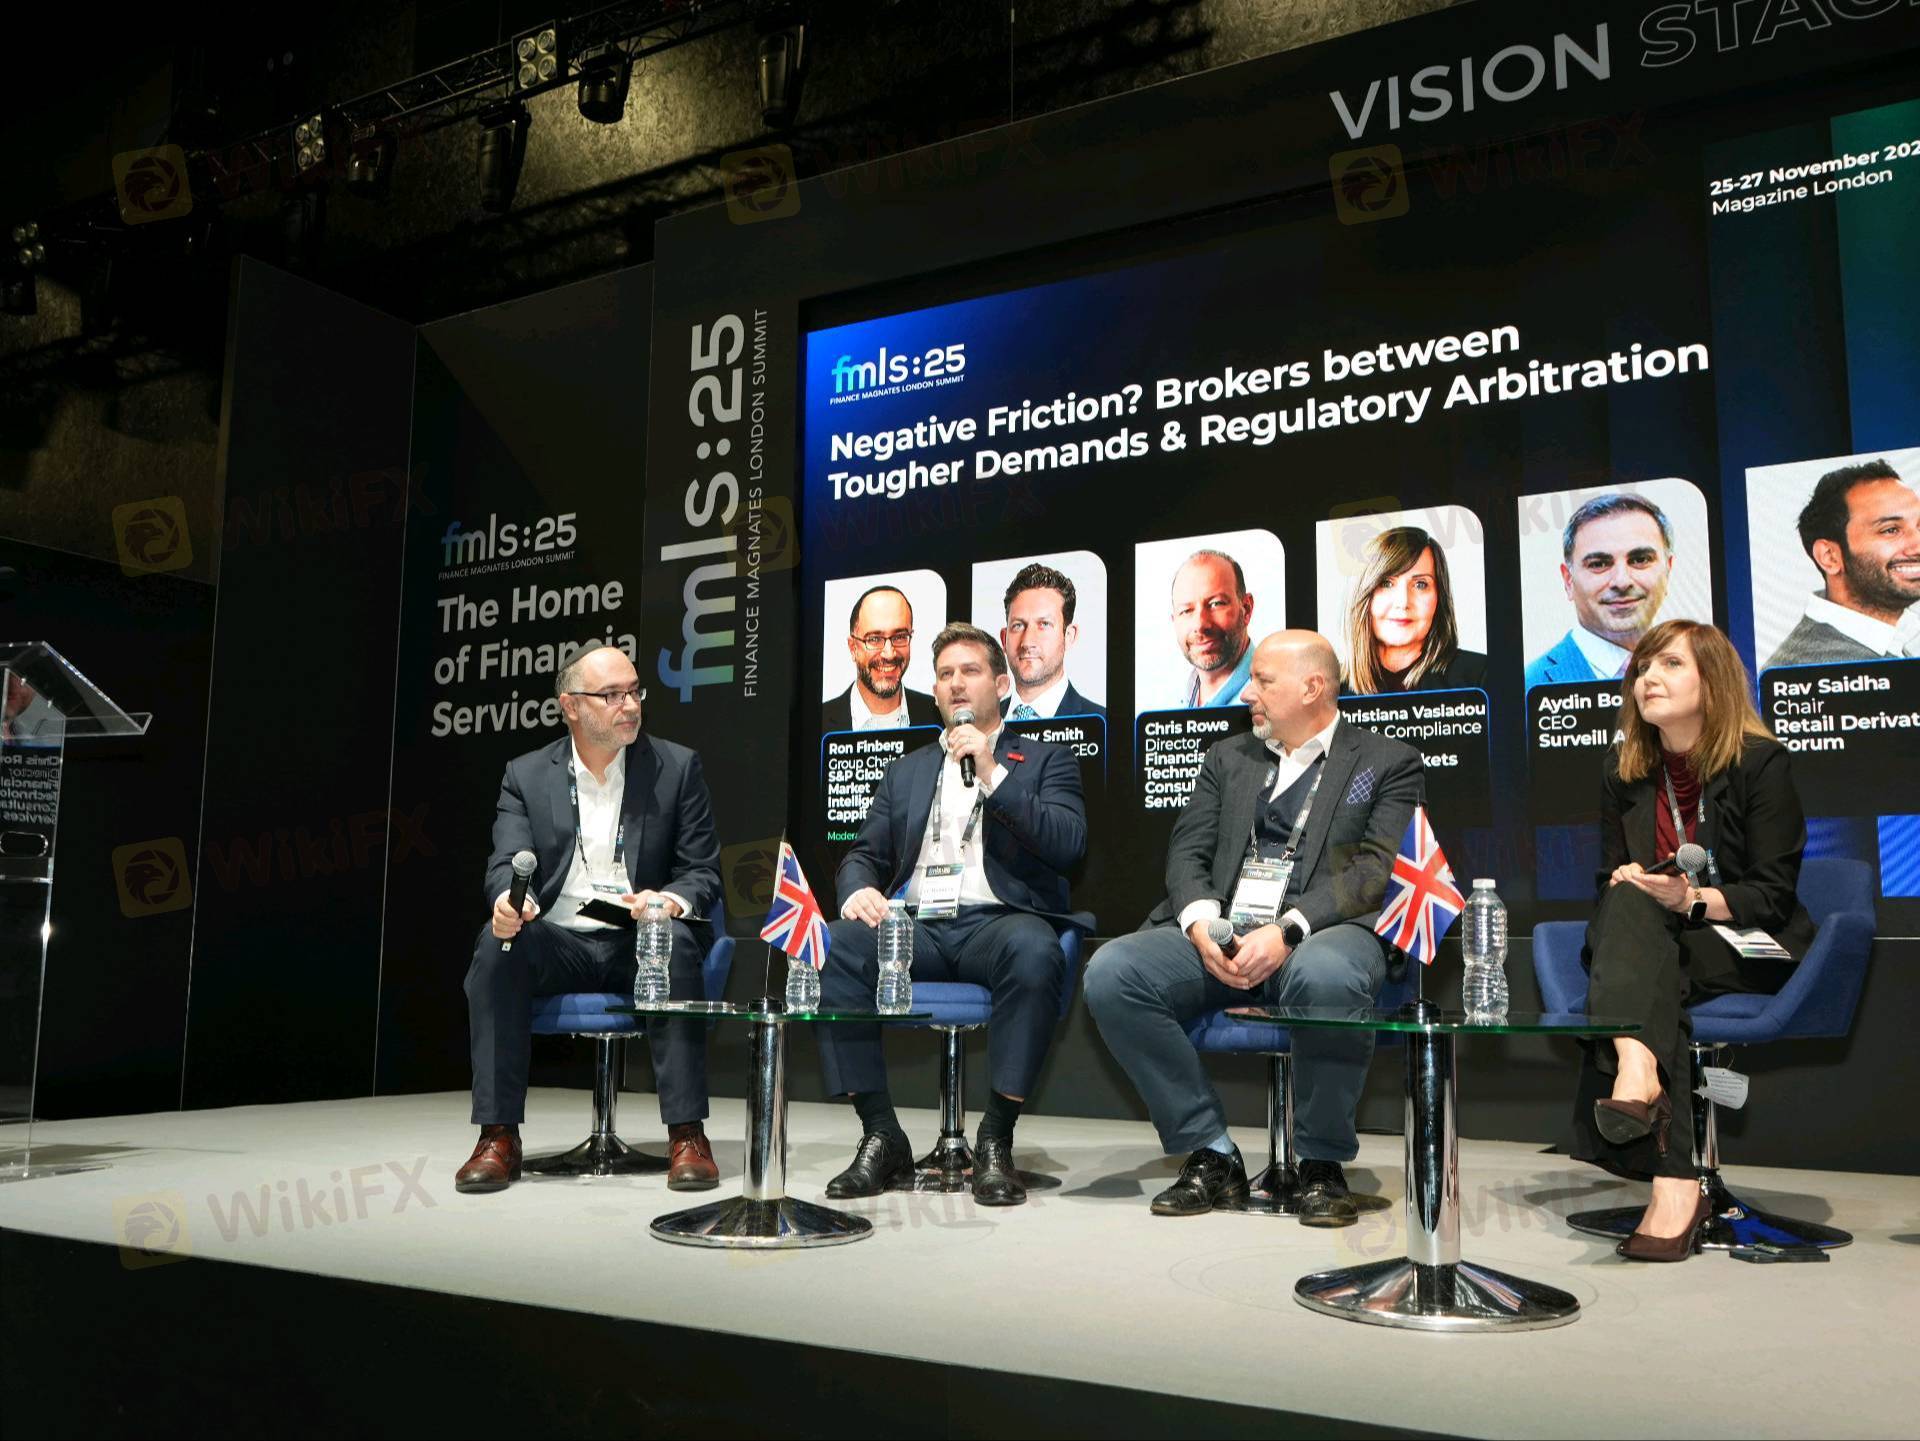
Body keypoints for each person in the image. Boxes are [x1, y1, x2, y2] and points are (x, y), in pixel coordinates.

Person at [1086, 631, 1422, 1222]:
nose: (1247, 693)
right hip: (1225, 930)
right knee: (1113, 972)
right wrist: (1200, 924)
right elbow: (1187, 853)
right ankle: (1211, 1151)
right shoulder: (1228, 758)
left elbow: (1373, 871)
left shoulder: (1385, 763)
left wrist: (1288, 930)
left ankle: (1321, 1163)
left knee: (1327, 975)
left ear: (1312, 687)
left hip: (1323, 931)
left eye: (1263, 681)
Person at [817, 623, 1091, 1206]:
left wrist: (991, 772)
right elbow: (863, 854)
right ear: (935, 691)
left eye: (970, 671)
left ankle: (996, 1138)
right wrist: (856, 891)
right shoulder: (908, 771)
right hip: (918, 926)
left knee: (1034, 949)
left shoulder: (1046, 760)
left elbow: (1067, 844)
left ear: (1001, 684)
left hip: (998, 922)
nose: (956, 684)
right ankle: (881, 1134)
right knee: (837, 944)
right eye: (945, 675)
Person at [1570, 619, 1811, 1261]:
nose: (1648, 677)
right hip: (1657, 942)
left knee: (1653, 969)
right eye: (1644, 667)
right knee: (1633, 909)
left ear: (1714, 682)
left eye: (1670, 664)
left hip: (1748, 937)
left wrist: (1691, 899)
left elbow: (1772, 895)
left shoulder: (1759, 763)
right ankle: (1663, 1144)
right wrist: (1630, 881)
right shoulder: (1623, 772)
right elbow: (1606, 879)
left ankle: (1640, 1084)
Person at [458, 646, 722, 1195]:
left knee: (672, 943)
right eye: (612, 695)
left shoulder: (676, 768)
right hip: (559, 939)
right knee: (497, 945)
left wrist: (666, 902)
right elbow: (506, 862)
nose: (631, 705)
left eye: (635, 691)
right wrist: (510, 901)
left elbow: (701, 872)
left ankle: (687, 1134)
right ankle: (498, 1135)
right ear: (571, 706)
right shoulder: (526, 775)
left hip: (639, 937)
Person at [1765, 459, 1920, 668]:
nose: (1917, 545)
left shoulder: (1888, 641)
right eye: (1890, 530)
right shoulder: (1815, 672)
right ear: (1829, 556)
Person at [1525, 494, 1675, 690]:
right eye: (1599, 564)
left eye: (1640, 560)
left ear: (1668, 570)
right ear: (1568, 581)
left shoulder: (1701, 674)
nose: (1622, 582)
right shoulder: (1527, 687)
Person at [1339, 525, 1488, 695]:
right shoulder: (1330, 687)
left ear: (1439, 597)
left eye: (1420, 584)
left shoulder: (1480, 677)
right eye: (1386, 583)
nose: (1403, 602)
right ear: (1362, 595)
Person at [998, 561, 1106, 721]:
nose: (1027, 642)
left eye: (1044, 624)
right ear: (1004, 639)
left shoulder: (1106, 724)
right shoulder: (979, 724)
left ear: (1069, 636)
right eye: (1018, 626)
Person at [822, 585, 939, 731]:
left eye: (900, 637)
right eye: (874, 639)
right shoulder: (817, 721)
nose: (889, 654)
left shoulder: (939, 717)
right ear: (853, 648)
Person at [1169, 549, 1256, 708]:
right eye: (1186, 611)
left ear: (1246, 608)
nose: (1200, 625)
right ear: (1174, 621)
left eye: (1216, 604)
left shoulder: (1277, 701)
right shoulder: (1171, 702)